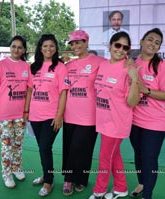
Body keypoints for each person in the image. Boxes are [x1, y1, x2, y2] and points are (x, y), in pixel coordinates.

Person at [89, 31, 140, 199]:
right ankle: (121, 187)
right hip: (103, 120)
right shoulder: (103, 64)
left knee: (104, 157)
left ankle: (99, 191)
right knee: (114, 155)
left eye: (125, 47)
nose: (121, 50)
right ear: (110, 45)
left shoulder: (129, 68)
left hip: (117, 123)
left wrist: (135, 79)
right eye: (118, 45)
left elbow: (133, 101)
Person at [129, 28, 165, 199]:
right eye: (150, 40)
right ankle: (142, 183)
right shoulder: (133, 63)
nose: (153, 44)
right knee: (138, 156)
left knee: (149, 159)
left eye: (157, 43)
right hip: (134, 121)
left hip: (155, 123)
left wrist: (146, 90)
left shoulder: (161, 66)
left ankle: (147, 195)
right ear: (141, 41)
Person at [61, 30, 106, 196]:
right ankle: (68, 178)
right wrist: (60, 60)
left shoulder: (99, 61)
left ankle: (80, 179)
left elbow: (116, 66)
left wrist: (130, 63)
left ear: (87, 42)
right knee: (69, 148)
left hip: (90, 117)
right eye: (72, 44)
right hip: (69, 115)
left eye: (78, 42)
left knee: (84, 149)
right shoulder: (68, 66)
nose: (75, 46)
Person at [26, 34, 69, 197]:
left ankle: (48, 181)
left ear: (56, 48)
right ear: (40, 48)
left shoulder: (60, 67)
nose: (48, 49)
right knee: (42, 148)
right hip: (35, 116)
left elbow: (64, 92)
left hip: (51, 117)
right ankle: (46, 173)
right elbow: (30, 90)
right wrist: (26, 111)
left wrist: (59, 116)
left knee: (45, 147)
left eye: (51, 46)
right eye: (45, 46)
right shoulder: (34, 67)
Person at [0, 35, 31, 189]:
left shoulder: (26, 67)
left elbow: (29, 90)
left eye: (20, 47)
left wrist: (26, 111)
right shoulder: (1, 65)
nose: (16, 50)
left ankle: (16, 168)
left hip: (20, 115)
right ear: (10, 47)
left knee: (18, 144)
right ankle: (6, 173)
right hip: (3, 115)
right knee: (7, 145)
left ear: (24, 50)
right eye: (13, 46)